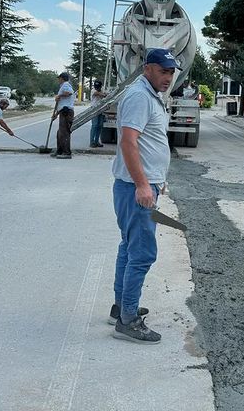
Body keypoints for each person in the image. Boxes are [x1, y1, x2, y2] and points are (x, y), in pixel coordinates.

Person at [110, 47, 181, 344]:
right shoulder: (140, 96)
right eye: (163, 71)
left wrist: (154, 180)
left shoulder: (150, 95)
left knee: (129, 247)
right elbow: (129, 142)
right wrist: (142, 184)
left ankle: (121, 307)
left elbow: (150, 142)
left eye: (171, 72)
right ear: (147, 69)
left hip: (141, 184)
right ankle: (128, 320)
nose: (168, 77)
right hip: (135, 188)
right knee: (142, 253)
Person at [51, 72, 75, 159]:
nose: (58, 80)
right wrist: (56, 114)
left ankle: (66, 152)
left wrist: (59, 95)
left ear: (62, 78)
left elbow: (69, 93)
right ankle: (60, 150)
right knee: (60, 133)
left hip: (66, 112)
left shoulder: (65, 85)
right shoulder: (63, 86)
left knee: (64, 133)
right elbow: (61, 103)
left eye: (59, 78)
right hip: (63, 111)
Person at [90, 80, 107, 148]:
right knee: (94, 125)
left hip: (101, 109)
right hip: (94, 109)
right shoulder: (93, 90)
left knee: (99, 126)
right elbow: (101, 94)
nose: (97, 88)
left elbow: (105, 94)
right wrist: (104, 94)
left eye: (98, 87)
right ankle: (92, 142)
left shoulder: (101, 89)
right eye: (96, 87)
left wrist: (104, 93)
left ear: (100, 86)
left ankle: (97, 141)